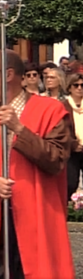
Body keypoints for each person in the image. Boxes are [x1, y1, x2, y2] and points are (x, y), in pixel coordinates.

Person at [0, 50, 74, 278]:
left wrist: (20, 130)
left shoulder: (51, 111)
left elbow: (57, 159)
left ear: (8, 74)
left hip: (37, 216)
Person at [66, 72, 83, 200]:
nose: (79, 88)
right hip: (72, 151)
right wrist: (73, 144)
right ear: (69, 88)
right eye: (75, 85)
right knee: (71, 184)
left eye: (82, 85)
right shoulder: (63, 106)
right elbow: (61, 130)